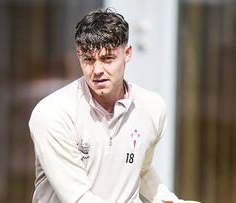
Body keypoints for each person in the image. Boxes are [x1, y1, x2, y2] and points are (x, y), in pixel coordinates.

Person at [29, 8, 200, 203]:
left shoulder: (152, 108)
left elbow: (140, 168)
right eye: (89, 60)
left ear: (127, 53)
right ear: (78, 55)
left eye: (107, 59)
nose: (98, 70)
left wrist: (167, 199)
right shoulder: (53, 113)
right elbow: (78, 199)